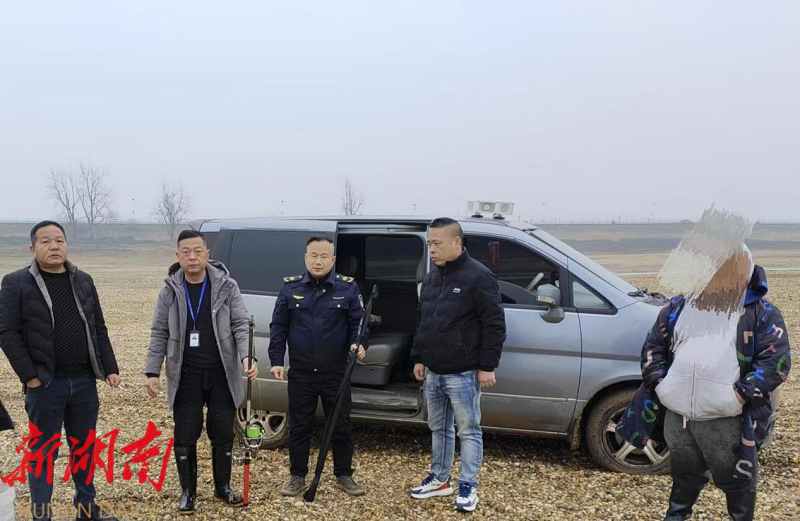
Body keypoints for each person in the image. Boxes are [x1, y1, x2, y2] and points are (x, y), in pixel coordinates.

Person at [619, 247, 791, 521]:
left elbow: (775, 363)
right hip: (678, 416)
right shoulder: (678, 307)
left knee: (738, 481)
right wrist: (662, 386)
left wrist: (738, 397)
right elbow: (653, 346)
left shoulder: (762, 312)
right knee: (683, 477)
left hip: (728, 419)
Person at [0, 221, 121, 521]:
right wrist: (30, 376)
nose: (54, 246)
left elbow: (98, 326)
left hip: (84, 381)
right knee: (43, 453)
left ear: (66, 245)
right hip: (45, 384)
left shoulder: (83, 280)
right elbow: (7, 332)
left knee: (84, 448)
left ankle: (86, 509)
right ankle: (41, 515)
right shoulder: (16, 282)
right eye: (46, 241)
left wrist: (109, 367)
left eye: (59, 240)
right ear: (33, 248)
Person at [144, 230, 257, 514]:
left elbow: (241, 323)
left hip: (221, 373)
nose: (192, 257)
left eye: (197, 251)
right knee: (185, 435)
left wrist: (246, 356)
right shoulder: (170, 290)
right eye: (186, 252)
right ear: (178, 256)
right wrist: (152, 371)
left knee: (222, 433)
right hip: (186, 375)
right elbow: (159, 331)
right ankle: (188, 492)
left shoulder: (227, 286)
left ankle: (223, 488)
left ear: (207, 254)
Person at [409, 218, 506, 512]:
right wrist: (419, 357)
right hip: (434, 372)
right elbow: (423, 321)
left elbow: (494, 325)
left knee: (469, 430)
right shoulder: (431, 277)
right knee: (438, 428)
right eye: (430, 243)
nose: (432, 250)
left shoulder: (479, 276)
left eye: (437, 244)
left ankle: (468, 486)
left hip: (463, 373)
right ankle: (440, 479)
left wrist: (487, 366)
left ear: (457, 243)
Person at [268, 235, 367, 498]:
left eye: (324, 256)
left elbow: (358, 323)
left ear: (333, 260)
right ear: (305, 258)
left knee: (341, 425)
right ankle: (297, 476)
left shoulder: (347, 288)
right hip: (301, 373)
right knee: (300, 426)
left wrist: (359, 343)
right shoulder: (290, 288)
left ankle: (344, 474)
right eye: (314, 255)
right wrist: (276, 360)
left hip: (336, 372)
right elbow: (279, 327)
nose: (318, 261)